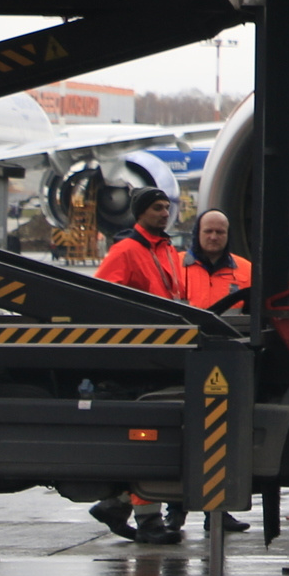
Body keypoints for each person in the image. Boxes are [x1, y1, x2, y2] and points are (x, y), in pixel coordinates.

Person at [89, 191, 186, 544]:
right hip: (141, 359)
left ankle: (116, 505)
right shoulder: (127, 250)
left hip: (164, 355)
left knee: (160, 437)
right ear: (140, 213)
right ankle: (147, 521)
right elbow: (101, 297)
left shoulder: (167, 250)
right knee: (149, 438)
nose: (164, 213)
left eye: (167, 208)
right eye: (157, 208)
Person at [181, 209, 252, 311]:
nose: (213, 237)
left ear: (228, 235)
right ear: (197, 233)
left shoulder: (248, 270)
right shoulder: (173, 265)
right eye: (208, 231)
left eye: (220, 232)